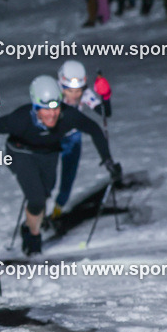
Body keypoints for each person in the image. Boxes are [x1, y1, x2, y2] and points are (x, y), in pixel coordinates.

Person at [0, 75, 118, 256]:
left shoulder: (67, 115)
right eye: (45, 109)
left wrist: (107, 159)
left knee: (46, 191)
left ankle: (28, 225)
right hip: (20, 153)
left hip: (49, 153)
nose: (52, 114)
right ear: (36, 108)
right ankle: (33, 238)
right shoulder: (21, 118)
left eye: (55, 108)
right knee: (37, 198)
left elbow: (93, 129)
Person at [51, 61, 110, 219]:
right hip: (52, 139)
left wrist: (105, 96)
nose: (75, 95)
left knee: (68, 178)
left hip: (73, 139)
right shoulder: (52, 92)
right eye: (70, 90)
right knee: (46, 178)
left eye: (79, 90)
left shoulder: (84, 93)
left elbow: (105, 112)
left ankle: (57, 211)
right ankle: (37, 212)